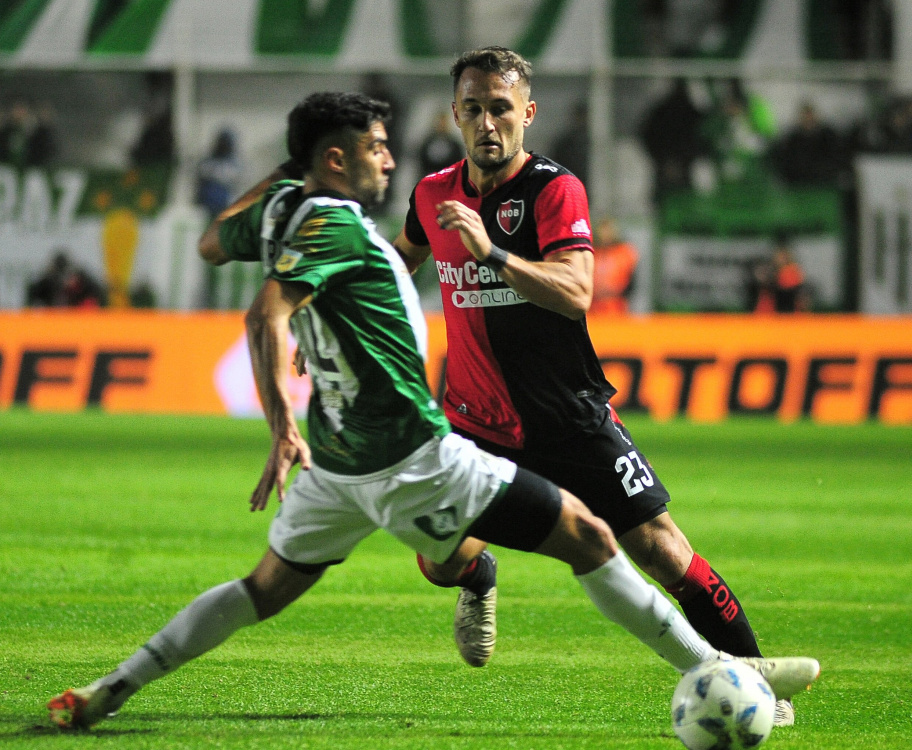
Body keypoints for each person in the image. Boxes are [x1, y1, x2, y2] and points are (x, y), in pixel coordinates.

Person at [46, 91, 819, 731]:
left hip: (338, 467)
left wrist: (290, 172)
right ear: (337, 160)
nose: (391, 159)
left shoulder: (280, 208)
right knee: (588, 537)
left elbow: (214, 244)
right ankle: (720, 672)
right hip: (413, 454)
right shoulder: (334, 222)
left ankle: (112, 688)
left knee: (262, 590)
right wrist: (281, 427)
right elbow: (264, 315)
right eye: (376, 148)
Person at [392, 47, 801, 727]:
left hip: (567, 418)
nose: (488, 122)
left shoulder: (555, 190)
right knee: (438, 556)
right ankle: (478, 576)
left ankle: (762, 686)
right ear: (454, 115)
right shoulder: (433, 193)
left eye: (501, 108)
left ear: (528, 112)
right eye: (474, 108)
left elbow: (576, 290)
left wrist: (491, 252)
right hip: (473, 421)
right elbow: (400, 260)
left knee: (662, 550)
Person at [590, 217, 639, 315]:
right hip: (593, 306)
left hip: (616, 305)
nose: (605, 234)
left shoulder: (624, 252)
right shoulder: (592, 252)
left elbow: (632, 282)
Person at [418, 109, 465, 177]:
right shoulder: (427, 142)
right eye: (440, 123)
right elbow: (422, 161)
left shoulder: (454, 145)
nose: (441, 125)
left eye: (444, 123)